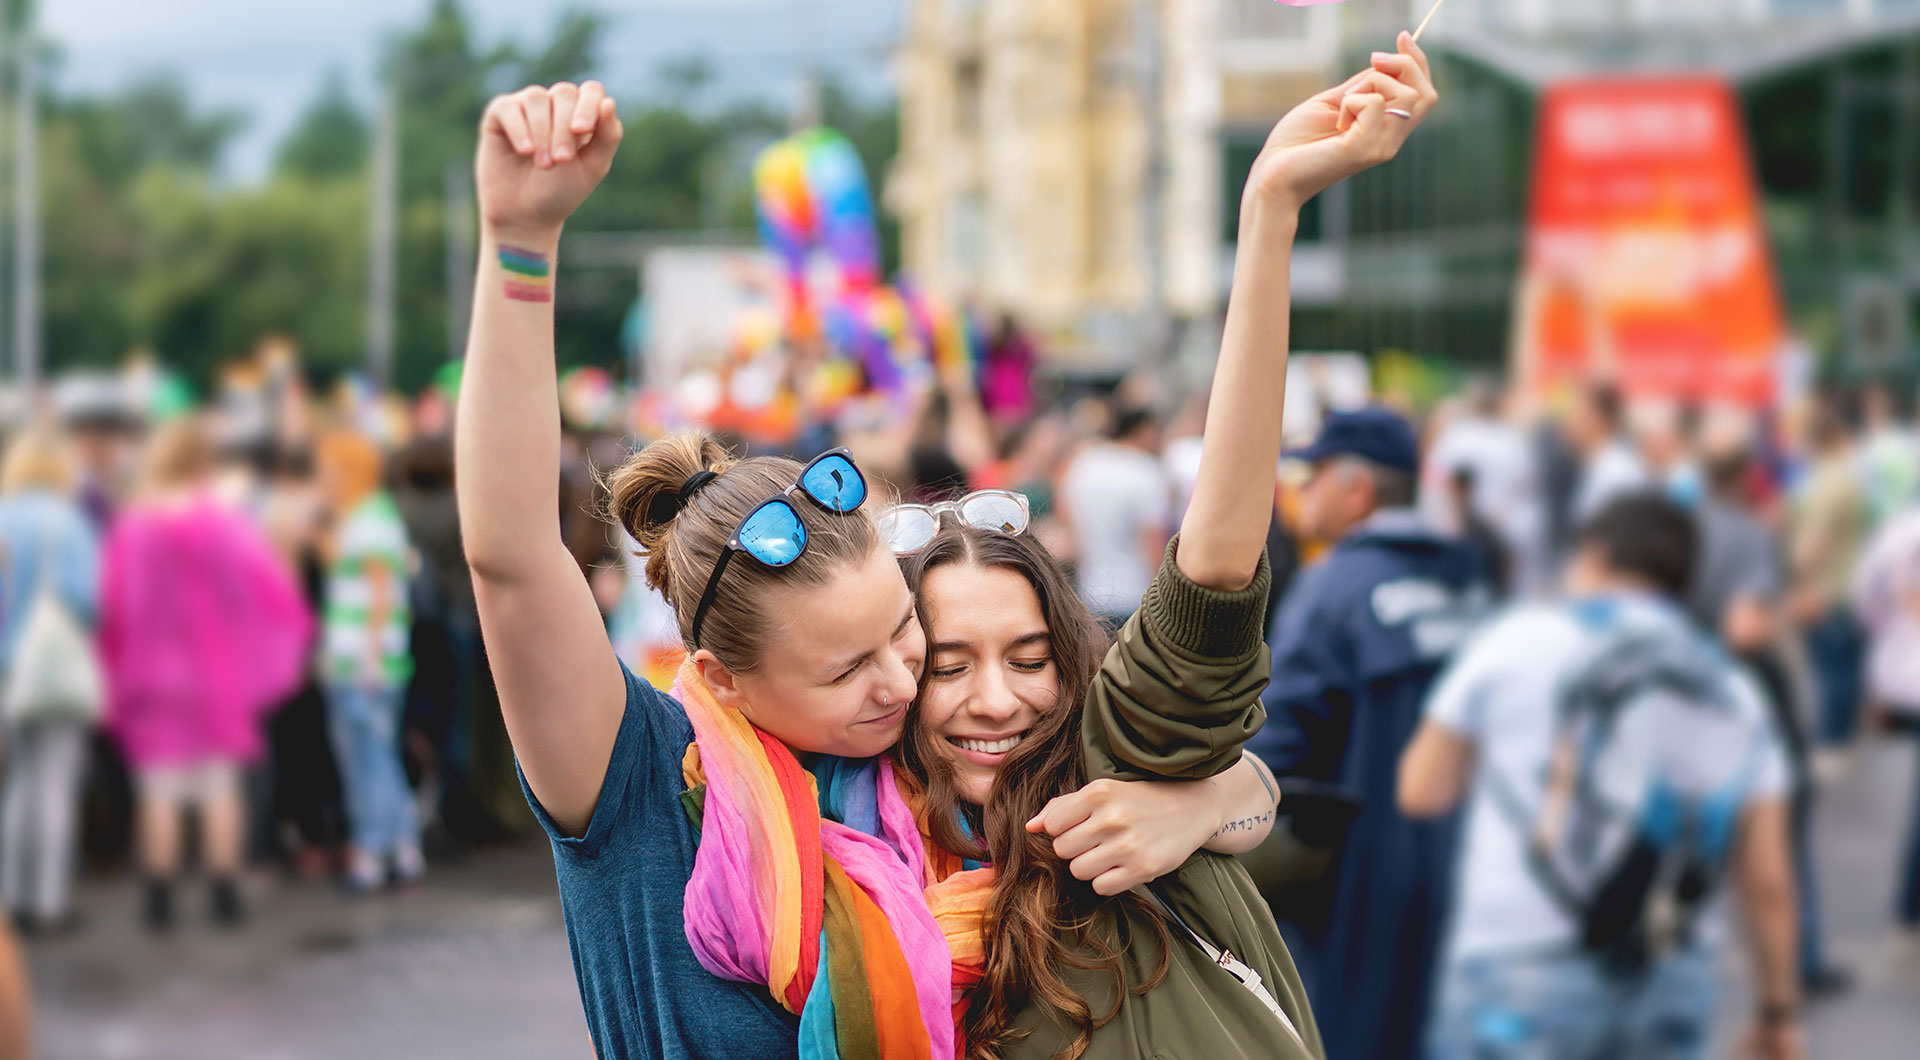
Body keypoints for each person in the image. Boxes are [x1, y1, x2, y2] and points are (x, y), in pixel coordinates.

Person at [455, 80, 1271, 1059]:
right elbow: (508, 557)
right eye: (845, 670)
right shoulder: (641, 789)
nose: (900, 679)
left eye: (901, 630)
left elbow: (1218, 756)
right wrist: (519, 242)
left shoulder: (936, 772)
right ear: (722, 679)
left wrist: (1207, 799)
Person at [887, 40, 1440, 1056]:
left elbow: (1216, 561)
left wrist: (1268, 213)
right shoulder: (851, 869)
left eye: (1027, 656)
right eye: (948, 665)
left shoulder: (1111, 766)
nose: (996, 700)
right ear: (892, 681)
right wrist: (1228, 793)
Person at [1401, 493, 1801, 1060]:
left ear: (1594, 555)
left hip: (1519, 965)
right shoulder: (1730, 686)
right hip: (1670, 972)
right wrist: (1776, 1010)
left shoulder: (1515, 641)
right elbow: (1767, 878)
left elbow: (1422, 790)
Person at [1249, 404, 1492, 1060]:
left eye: (1315, 475)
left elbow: (1276, 747)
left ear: (1357, 491)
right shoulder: (1472, 580)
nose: (1302, 492)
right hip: (1473, 866)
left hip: (1361, 880)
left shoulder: (1335, 590)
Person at [99, 418, 313, 930]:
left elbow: (116, 602)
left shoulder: (133, 525)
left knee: (159, 790)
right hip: (216, 671)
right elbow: (263, 587)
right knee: (220, 785)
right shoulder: (221, 522)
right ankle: (223, 894)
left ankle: (159, 897)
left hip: (151, 672)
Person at [0, 429, 101, 936]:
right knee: (54, 786)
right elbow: (87, 601)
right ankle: (48, 903)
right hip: (53, 669)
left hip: (3, 671)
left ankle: (9, 899)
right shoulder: (71, 524)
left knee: (14, 785)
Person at [317, 430, 424, 893]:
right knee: (376, 757)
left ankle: (373, 854)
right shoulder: (367, 516)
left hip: (364, 665)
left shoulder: (371, 519)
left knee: (369, 761)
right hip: (364, 662)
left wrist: (370, 660)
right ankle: (400, 847)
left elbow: (381, 594)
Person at [1850, 496, 1920, 942]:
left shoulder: (1899, 530)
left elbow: (1864, 599)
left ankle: (1907, 909)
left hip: (1903, 676)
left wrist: (1891, 640)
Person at [1791, 401, 1868, 750]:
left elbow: (1812, 546)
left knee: (1832, 673)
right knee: (1843, 669)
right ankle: (1842, 736)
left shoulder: (1826, 479)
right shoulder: (1844, 475)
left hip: (1827, 591)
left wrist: (1799, 579)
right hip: (1845, 586)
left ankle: (1834, 741)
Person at [1059, 405, 1173, 626]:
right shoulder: (1146, 471)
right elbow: (1153, 544)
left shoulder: (1086, 463)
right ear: (1144, 431)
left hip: (1091, 595)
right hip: (1137, 598)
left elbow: (1066, 519)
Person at [1567, 383, 1649, 522]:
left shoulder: (1618, 473)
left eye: (1576, 415)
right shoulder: (1595, 466)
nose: (1568, 424)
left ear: (1598, 419)